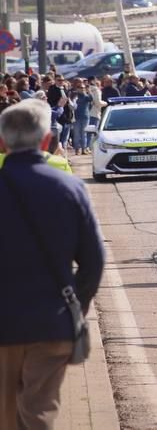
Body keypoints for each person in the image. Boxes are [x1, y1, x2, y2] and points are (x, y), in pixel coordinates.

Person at [0, 99, 106, 429]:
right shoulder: (69, 187)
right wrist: (76, 304)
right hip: (52, 322)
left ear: (2, 143)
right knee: (39, 411)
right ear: (48, 141)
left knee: (6, 414)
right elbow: (93, 260)